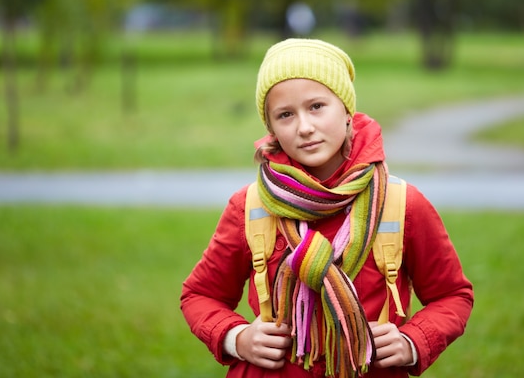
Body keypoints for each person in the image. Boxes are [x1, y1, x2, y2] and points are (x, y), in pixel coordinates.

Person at [180, 38, 473, 377]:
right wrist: (237, 337)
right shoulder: (250, 206)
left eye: (317, 106)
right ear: (271, 128)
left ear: (347, 111)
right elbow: (200, 295)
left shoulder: (401, 204)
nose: (304, 127)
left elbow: (452, 295)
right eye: (285, 115)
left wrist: (412, 342)